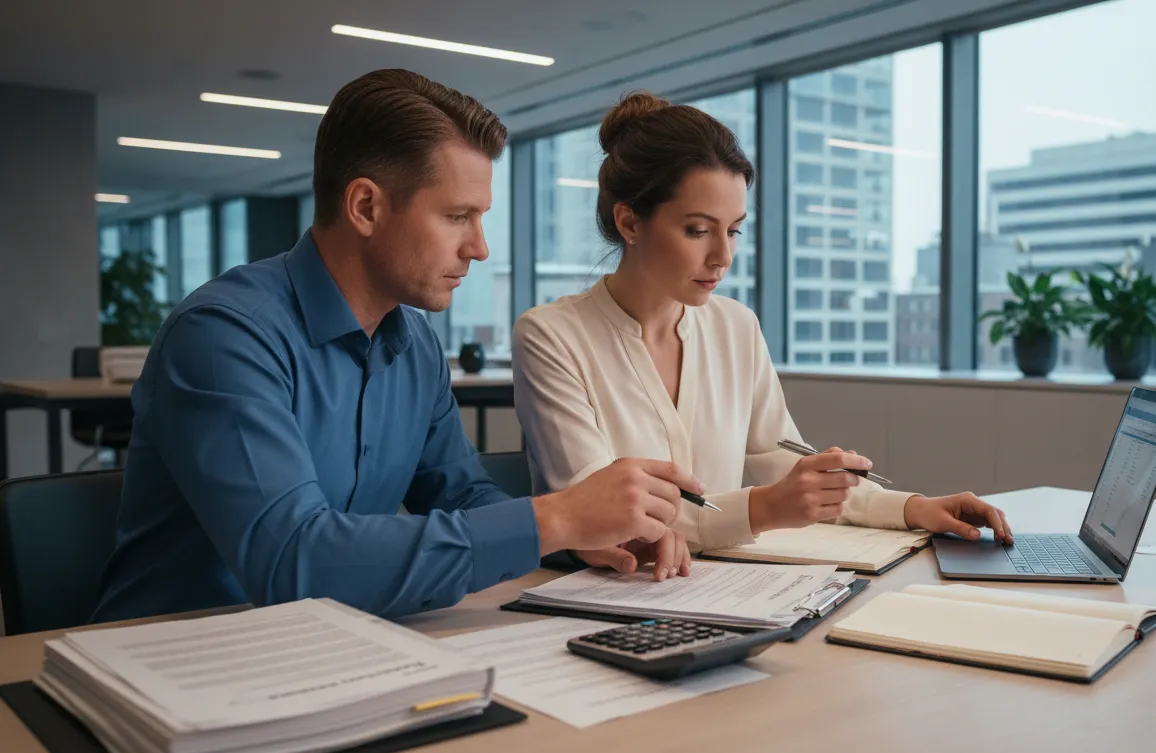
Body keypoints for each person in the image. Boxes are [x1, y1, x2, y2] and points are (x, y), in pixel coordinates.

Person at [91, 71, 703, 623]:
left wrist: (586, 533)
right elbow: (292, 563)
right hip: (181, 659)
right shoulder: (224, 335)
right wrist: (558, 518)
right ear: (365, 206)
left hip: (333, 644)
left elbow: (464, 494)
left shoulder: (413, 345)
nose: (479, 248)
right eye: (458, 216)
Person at [513, 92, 1012, 580]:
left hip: (726, 590)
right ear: (630, 222)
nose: (722, 257)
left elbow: (784, 462)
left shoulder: (736, 326)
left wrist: (913, 509)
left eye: (733, 230)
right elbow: (602, 513)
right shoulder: (552, 336)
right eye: (697, 230)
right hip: (601, 601)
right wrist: (762, 508)